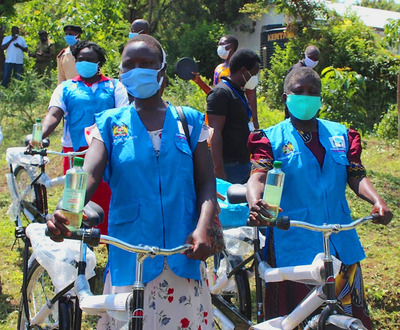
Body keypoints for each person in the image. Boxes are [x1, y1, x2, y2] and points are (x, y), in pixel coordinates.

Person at [47, 34, 216, 329]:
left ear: (161, 69)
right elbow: (89, 172)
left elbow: (206, 184)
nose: (138, 69)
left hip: (184, 252)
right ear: (121, 74)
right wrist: (67, 209)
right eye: (130, 64)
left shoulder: (188, 121)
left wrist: (203, 228)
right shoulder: (109, 124)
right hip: (131, 254)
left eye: (146, 63)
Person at [246, 67, 393, 328]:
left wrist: (377, 201)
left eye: (312, 92)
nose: (306, 96)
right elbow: (258, 177)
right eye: (298, 91)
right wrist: (256, 202)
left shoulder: (341, 135)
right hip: (294, 241)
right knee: (296, 318)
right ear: (285, 97)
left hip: (340, 239)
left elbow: (356, 175)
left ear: (320, 98)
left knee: (349, 315)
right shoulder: (270, 139)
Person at [38, 41, 129, 235]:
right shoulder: (65, 88)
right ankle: (79, 249)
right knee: (75, 201)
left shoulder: (115, 87)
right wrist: (40, 135)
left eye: (90, 60)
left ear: (99, 63)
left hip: (107, 153)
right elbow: (54, 114)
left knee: (106, 200)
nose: (84, 62)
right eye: (80, 59)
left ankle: (107, 240)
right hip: (75, 154)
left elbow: (123, 118)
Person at [207, 48, 261, 184]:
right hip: (229, 166)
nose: (254, 79)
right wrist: (218, 169)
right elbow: (215, 132)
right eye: (253, 74)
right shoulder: (221, 93)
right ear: (243, 70)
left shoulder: (238, 91)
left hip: (242, 162)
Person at [192, 35, 259, 129]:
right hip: (218, 114)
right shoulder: (218, 69)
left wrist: (255, 120)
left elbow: (251, 93)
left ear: (230, 47)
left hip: (235, 115)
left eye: (221, 44)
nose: (219, 47)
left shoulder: (241, 70)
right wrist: (199, 82)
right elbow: (214, 94)